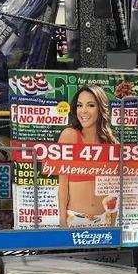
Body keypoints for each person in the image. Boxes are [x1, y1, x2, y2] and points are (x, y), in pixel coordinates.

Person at [57, 85, 118, 228]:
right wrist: (62, 219)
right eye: (79, 105)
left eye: (90, 105)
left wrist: (113, 222)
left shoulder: (111, 142)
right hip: (75, 219)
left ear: (101, 108)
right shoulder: (69, 136)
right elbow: (63, 184)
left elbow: (113, 189)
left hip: (105, 218)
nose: (83, 111)